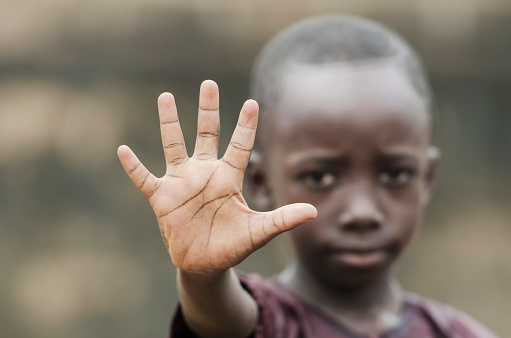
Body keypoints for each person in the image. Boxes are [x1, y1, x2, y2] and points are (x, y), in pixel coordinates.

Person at [117, 15, 498, 338]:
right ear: (261, 183)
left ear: (427, 178)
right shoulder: (272, 320)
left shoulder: (458, 332)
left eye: (395, 174)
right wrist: (203, 277)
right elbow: (221, 319)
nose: (362, 212)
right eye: (320, 177)